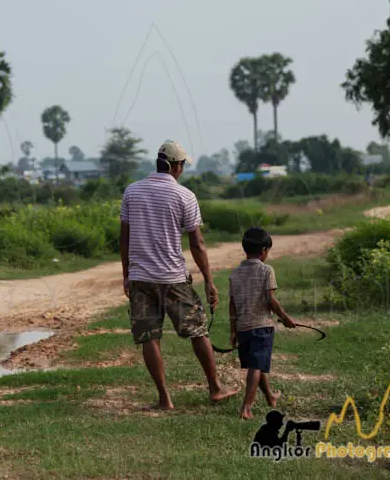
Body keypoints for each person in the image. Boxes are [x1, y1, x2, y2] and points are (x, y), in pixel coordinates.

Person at [120, 141, 239, 410]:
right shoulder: (185, 196)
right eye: (183, 165)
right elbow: (197, 243)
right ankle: (216, 388)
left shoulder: (132, 192)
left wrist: (127, 274)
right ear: (176, 166)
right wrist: (209, 280)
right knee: (198, 332)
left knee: (149, 336)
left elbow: (124, 238)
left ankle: (165, 398)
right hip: (173, 277)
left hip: (141, 278)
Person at [228, 227, 296, 420]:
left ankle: (270, 396)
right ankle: (247, 408)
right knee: (255, 367)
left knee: (256, 364)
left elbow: (232, 305)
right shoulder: (267, 270)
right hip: (261, 326)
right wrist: (285, 317)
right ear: (264, 250)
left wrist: (233, 331)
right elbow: (271, 300)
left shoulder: (234, 274)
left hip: (243, 328)